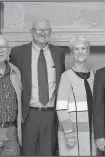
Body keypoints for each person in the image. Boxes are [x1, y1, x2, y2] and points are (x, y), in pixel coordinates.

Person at [10, 18, 65, 155]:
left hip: (51, 114)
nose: (42, 32)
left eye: (46, 29)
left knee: (48, 152)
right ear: (31, 31)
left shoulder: (58, 53)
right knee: (27, 153)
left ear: (50, 32)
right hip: (28, 114)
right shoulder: (17, 53)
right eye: (39, 29)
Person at [56, 37, 96, 156]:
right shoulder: (66, 76)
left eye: (83, 48)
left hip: (91, 131)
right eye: (76, 49)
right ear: (72, 53)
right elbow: (61, 108)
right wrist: (68, 133)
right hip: (72, 133)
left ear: (88, 52)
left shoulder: (93, 76)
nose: (80, 52)